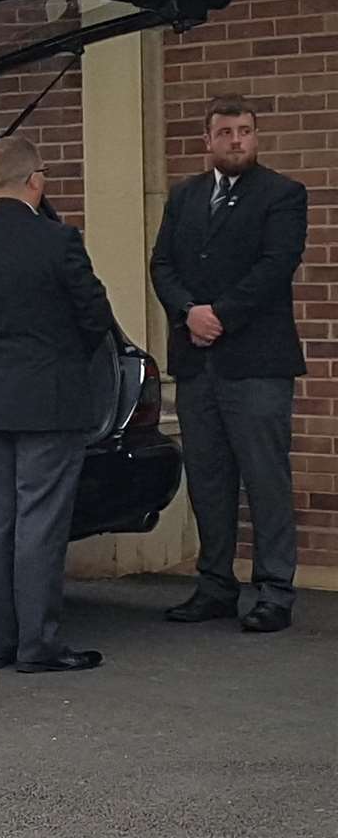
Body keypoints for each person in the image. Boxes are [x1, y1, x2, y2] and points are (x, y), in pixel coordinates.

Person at [0, 136, 115, 674]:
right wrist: (67, 358)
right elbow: (95, 316)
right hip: (49, 400)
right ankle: (37, 645)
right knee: (40, 522)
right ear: (35, 180)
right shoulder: (59, 241)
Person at [151, 97, 307, 633]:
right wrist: (188, 312)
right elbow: (163, 263)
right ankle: (215, 584)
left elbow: (275, 266)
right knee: (210, 478)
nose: (236, 140)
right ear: (208, 140)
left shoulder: (282, 195)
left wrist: (218, 315)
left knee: (265, 479)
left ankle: (275, 591)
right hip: (198, 364)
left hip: (256, 362)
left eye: (245, 131)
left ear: (256, 137)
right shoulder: (185, 196)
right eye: (226, 132)